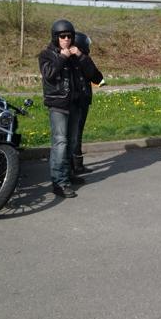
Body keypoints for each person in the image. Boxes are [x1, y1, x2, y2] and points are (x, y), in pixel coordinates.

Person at [38, 19, 100, 198]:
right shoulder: (46, 55)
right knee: (60, 143)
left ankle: (68, 174)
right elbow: (49, 75)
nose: (66, 39)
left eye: (69, 36)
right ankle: (59, 182)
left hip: (75, 104)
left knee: (72, 143)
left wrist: (80, 56)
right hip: (58, 105)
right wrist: (62, 57)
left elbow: (95, 76)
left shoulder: (76, 55)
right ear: (55, 37)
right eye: (62, 36)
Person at [71, 32, 104, 174]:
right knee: (74, 134)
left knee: (76, 133)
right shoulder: (70, 59)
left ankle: (76, 165)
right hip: (75, 101)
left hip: (82, 100)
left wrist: (82, 56)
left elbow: (97, 78)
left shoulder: (83, 59)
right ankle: (74, 166)